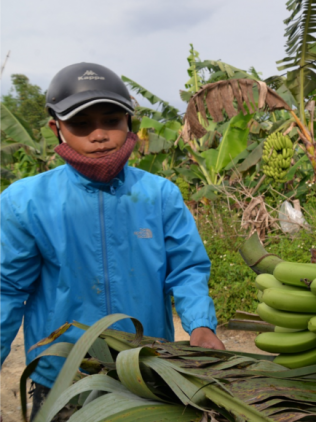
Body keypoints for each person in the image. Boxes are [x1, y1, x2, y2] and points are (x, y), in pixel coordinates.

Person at [0, 63, 225, 417]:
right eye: (80, 124)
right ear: (56, 128)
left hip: (147, 370)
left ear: (129, 122)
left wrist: (200, 324)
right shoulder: (25, 202)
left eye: (111, 120)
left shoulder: (159, 195)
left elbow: (186, 269)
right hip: (64, 377)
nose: (99, 135)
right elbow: (7, 289)